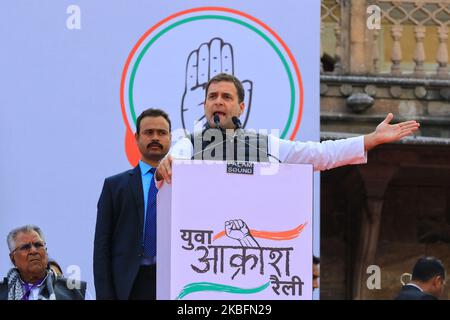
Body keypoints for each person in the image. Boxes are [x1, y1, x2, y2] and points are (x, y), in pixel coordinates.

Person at [156, 73, 420, 183]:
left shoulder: (263, 145)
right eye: (212, 97)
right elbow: (173, 161)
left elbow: (319, 154)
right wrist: (165, 167)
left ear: (241, 107)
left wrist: (369, 140)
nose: (218, 102)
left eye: (226, 97)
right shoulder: (188, 144)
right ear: (204, 105)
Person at [94, 108, 172, 300]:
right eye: (148, 132)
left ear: (171, 137)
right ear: (136, 138)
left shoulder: (186, 183)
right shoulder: (115, 186)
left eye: (162, 133)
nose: (155, 138)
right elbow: (102, 248)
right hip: (130, 285)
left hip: (173, 281)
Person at [0, 225, 86, 300]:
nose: (33, 251)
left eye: (38, 245)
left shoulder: (75, 292)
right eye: (25, 247)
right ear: (13, 259)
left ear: (46, 252)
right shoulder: (2, 292)